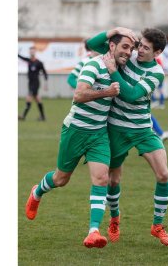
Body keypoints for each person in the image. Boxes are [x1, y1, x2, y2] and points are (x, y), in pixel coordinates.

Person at [24, 34, 135, 248]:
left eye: (131, 49)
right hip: (75, 130)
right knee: (60, 179)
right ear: (111, 46)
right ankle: (37, 191)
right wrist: (107, 92)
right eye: (124, 47)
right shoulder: (93, 65)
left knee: (101, 178)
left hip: (99, 133)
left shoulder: (120, 69)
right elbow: (78, 95)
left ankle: (93, 231)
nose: (128, 52)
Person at [87, 27, 168, 246]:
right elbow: (94, 44)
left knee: (163, 174)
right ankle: (114, 220)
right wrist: (114, 30)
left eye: (146, 48)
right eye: (139, 45)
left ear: (157, 52)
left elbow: (132, 95)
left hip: (143, 129)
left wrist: (113, 71)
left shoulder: (157, 72)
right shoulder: (127, 57)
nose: (139, 50)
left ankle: (157, 226)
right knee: (113, 180)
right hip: (116, 128)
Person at [18, 46, 48, 121]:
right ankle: (43, 116)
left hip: (35, 83)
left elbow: (45, 73)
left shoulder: (39, 63)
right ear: (29, 52)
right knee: (37, 99)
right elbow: (21, 57)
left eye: (33, 51)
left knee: (29, 98)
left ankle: (23, 116)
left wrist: (45, 84)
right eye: (30, 51)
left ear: (35, 52)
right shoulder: (29, 60)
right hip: (30, 83)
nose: (32, 52)